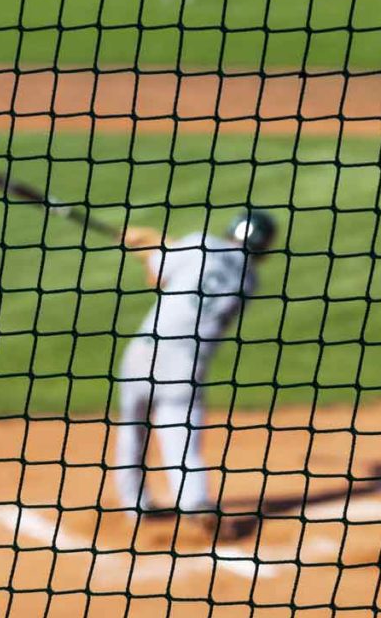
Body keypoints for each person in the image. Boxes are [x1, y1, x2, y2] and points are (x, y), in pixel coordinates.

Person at [114, 209, 276, 527]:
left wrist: (146, 243)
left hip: (145, 350)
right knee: (182, 439)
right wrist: (155, 243)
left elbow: (157, 275)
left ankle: (135, 505)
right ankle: (194, 502)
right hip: (185, 367)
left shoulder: (200, 242)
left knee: (132, 431)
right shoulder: (249, 281)